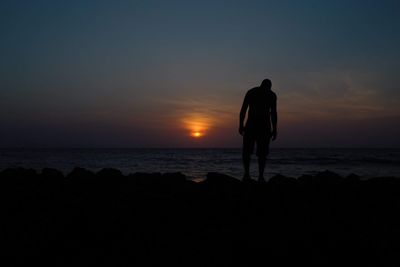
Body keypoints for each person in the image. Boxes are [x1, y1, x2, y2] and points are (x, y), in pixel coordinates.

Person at [239, 79, 277, 182]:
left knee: (261, 153)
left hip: (263, 127)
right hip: (252, 126)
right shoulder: (252, 92)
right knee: (248, 151)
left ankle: (259, 176)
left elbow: (273, 113)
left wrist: (275, 129)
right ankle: (247, 174)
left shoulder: (271, 95)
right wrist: (240, 125)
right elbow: (243, 109)